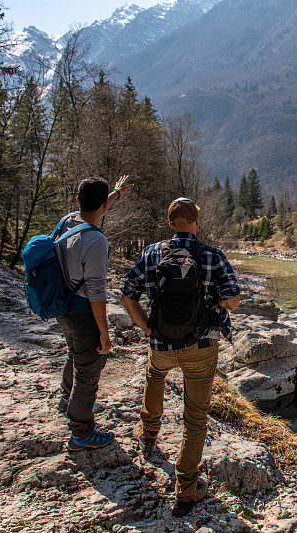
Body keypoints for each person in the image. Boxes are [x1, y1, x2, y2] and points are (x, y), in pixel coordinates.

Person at [120, 198, 240, 517]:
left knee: (155, 376)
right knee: (195, 417)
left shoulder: (152, 253)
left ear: (171, 224)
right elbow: (234, 301)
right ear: (196, 224)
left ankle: (148, 431)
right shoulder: (212, 256)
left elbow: (126, 297)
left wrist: (148, 327)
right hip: (200, 347)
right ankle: (186, 490)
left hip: (161, 343)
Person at [55, 175, 133, 451]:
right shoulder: (96, 241)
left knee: (75, 354)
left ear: (77, 201)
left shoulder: (68, 222)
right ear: (102, 205)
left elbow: (96, 208)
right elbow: (97, 294)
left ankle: (66, 400)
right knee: (89, 370)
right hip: (83, 312)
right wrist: (104, 333)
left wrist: (116, 192)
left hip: (62, 306)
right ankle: (81, 431)